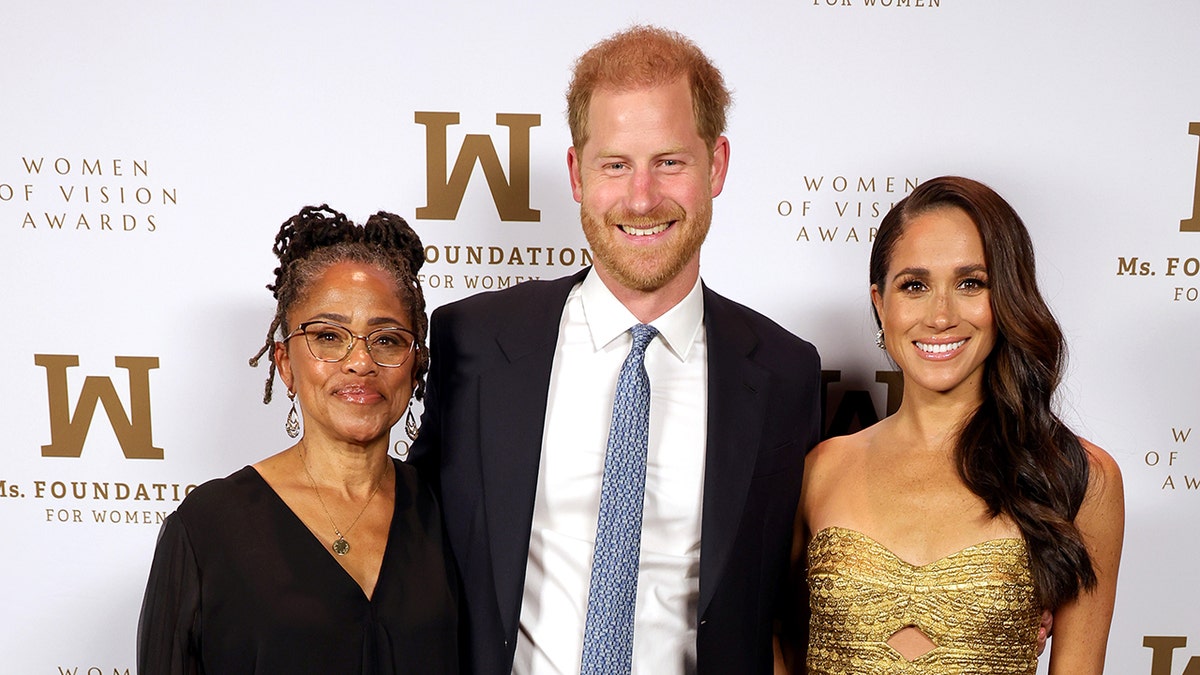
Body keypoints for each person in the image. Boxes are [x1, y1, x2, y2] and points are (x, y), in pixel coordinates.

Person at [409, 25, 822, 675]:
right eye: (615, 164)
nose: (641, 197)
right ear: (577, 173)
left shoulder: (785, 375)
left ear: (716, 165)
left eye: (670, 161)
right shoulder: (474, 344)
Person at [793, 176, 1124, 674]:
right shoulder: (820, 469)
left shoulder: (1079, 476)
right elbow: (773, 642)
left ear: (1008, 298)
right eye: (915, 285)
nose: (941, 315)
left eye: (971, 283)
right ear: (881, 303)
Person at [137, 205, 458, 674]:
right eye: (329, 336)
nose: (360, 362)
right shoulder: (208, 529)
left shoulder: (450, 514)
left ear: (416, 365)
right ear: (285, 363)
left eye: (386, 339)